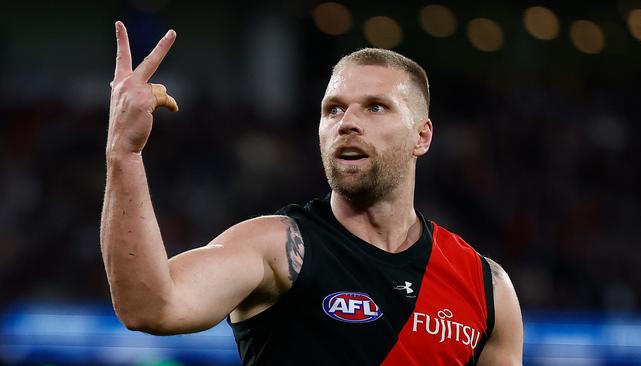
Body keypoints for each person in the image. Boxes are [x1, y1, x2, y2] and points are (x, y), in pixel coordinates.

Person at [101, 21, 523, 365]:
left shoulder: (487, 286)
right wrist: (125, 152)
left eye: (376, 106)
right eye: (333, 108)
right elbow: (151, 306)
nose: (347, 122)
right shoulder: (275, 247)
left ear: (422, 135)